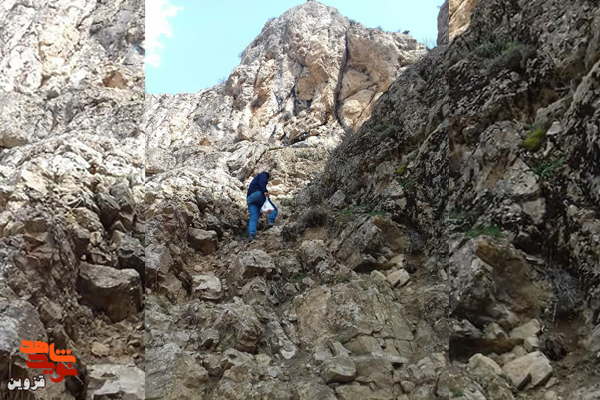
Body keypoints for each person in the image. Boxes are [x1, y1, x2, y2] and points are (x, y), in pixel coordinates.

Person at [246, 171, 277, 242]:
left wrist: (260, 209)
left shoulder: (253, 182)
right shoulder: (263, 175)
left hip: (249, 199)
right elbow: (262, 183)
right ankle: (270, 220)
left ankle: (251, 234)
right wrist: (264, 191)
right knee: (274, 209)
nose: (267, 181)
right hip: (257, 194)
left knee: (254, 217)